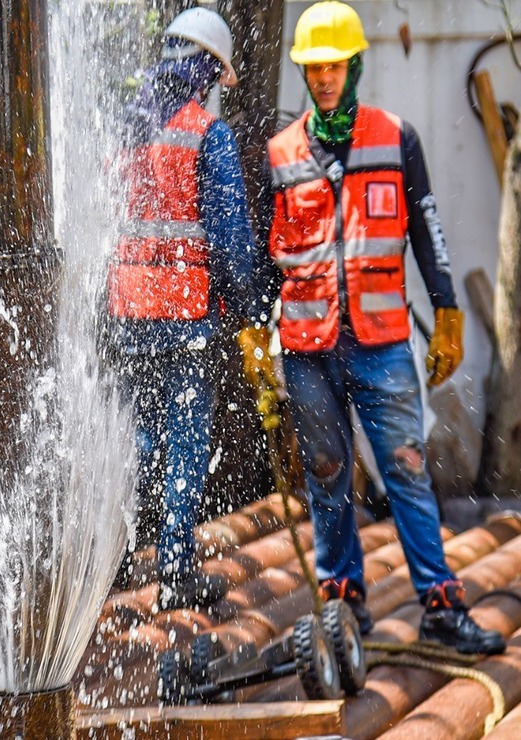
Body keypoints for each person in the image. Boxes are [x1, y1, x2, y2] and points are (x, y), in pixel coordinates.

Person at [245, 1, 504, 654]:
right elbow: (257, 255)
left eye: (334, 65)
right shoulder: (279, 154)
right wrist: (254, 330)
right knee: (326, 476)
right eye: (313, 67)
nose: (324, 77)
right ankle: (341, 607)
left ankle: (441, 607)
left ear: (354, 63)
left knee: (406, 469)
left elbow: (427, 231)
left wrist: (445, 311)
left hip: (381, 344)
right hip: (306, 350)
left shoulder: (396, 138)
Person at [103, 7, 268, 611]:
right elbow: (231, 242)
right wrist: (250, 319)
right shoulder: (206, 133)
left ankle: (110, 559)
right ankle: (175, 571)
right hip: (186, 317)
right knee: (186, 444)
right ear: (207, 70)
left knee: (138, 441)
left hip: (128, 314)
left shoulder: (125, 126)